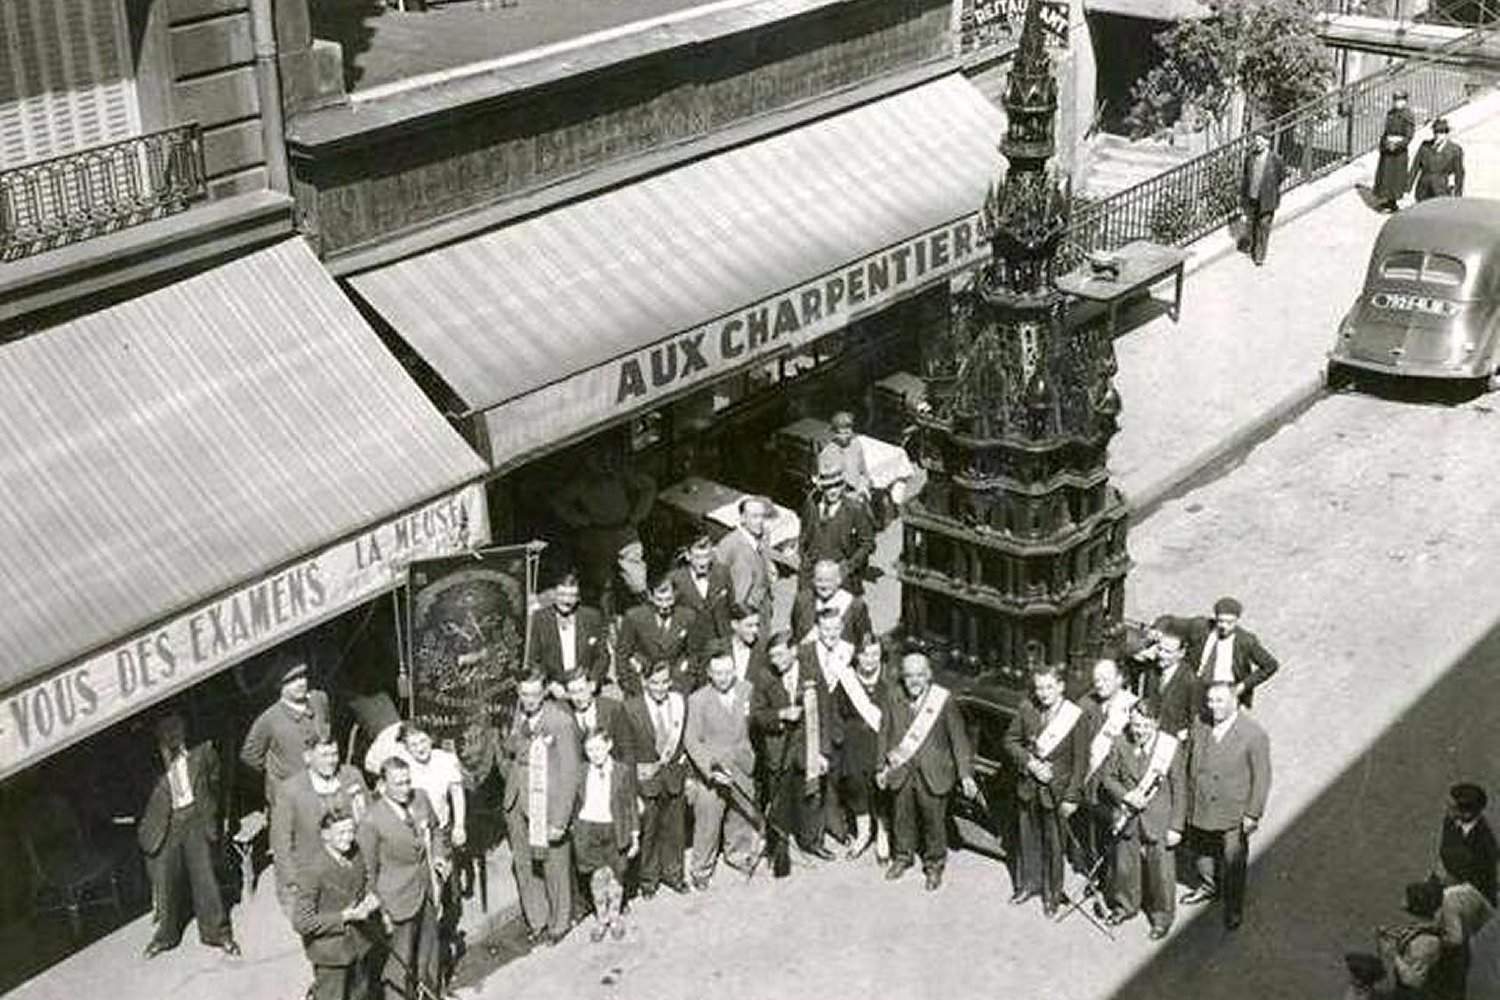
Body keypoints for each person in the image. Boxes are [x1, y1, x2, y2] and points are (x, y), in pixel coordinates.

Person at [139, 711, 240, 958]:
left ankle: (217, 933)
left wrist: (209, 811)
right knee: (166, 882)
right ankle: (166, 936)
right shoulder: (147, 760)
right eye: (165, 729)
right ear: (157, 733)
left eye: (176, 727)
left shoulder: (202, 751)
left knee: (205, 878)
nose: (172, 733)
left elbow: (215, 778)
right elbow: (138, 796)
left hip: (195, 817)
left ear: (184, 727)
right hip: (167, 824)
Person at [877, 652, 976, 892]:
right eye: (909, 675)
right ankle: (902, 857)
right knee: (902, 817)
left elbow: (958, 740)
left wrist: (965, 774)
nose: (914, 680)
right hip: (902, 770)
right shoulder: (893, 696)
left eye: (920, 675)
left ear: (928, 675)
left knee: (934, 822)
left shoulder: (943, 700)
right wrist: (881, 767)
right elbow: (884, 733)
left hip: (934, 772)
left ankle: (934, 865)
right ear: (903, 676)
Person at [1179, 681, 1271, 931]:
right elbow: (1188, 759)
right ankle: (1208, 886)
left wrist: (1253, 814)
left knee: (1233, 862)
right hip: (1200, 803)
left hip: (1232, 810)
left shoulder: (1253, 734)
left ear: (1235, 702)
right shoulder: (1200, 724)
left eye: (1219, 701)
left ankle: (1233, 908)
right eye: (1210, 700)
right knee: (1202, 853)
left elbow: (1262, 778)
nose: (1213, 706)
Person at [358, 757, 450, 1000]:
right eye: (398, 784)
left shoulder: (420, 797)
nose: (405, 788)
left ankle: (431, 993)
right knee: (399, 964)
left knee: (429, 953)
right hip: (396, 899)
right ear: (382, 785)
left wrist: (440, 856)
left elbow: (437, 829)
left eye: (407, 781)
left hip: (427, 890)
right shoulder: (372, 820)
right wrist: (380, 909)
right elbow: (368, 870)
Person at [501, 672, 581, 946]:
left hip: (547, 803)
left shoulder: (561, 722)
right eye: (524, 694)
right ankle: (537, 919)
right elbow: (511, 747)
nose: (529, 700)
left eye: (535, 694)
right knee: (524, 864)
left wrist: (560, 819)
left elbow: (570, 772)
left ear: (545, 691)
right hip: (517, 800)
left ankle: (560, 922)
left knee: (553, 864)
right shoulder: (517, 713)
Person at [1003, 661, 1088, 916]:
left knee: (1054, 844)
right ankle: (1028, 885)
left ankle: (1052, 894)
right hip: (1029, 787)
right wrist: (1029, 763)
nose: (1044, 693)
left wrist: (1072, 796)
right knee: (1027, 838)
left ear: (1060, 687)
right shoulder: (1027, 708)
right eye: (1039, 688)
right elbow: (1010, 740)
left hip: (1058, 792)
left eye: (1049, 687)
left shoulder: (1074, 716)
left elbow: (1081, 760)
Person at [1099, 700, 1185, 940]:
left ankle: (1162, 917)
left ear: (1156, 724)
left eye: (1145, 726)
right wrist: (1126, 795)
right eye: (1135, 724)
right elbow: (1107, 778)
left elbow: (1180, 789)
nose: (1138, 731)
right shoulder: (1119, 742)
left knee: (1161, 872)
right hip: (1128, 816)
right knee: (1125, 867)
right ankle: (1125, 906)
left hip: (1159, 820)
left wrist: (1176, 826)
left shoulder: (1170, 747)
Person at [751, 630, 834, 877]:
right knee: (779, 801)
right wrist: (781, 715)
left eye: (779, 654)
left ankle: (813, 842)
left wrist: (824, 752)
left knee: (812, 798)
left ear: (794, 650)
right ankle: (779, 849)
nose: (775, 661)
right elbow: (756, 716)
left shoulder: (812, 674)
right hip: (779, 750)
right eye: (772, 656)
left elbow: (825, 713)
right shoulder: (764, 677)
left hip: (809, 748)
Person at [273, 734, 371, 921]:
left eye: (334, 754)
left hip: (351, 867)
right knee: (324, 934)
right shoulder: (290, 790)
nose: (331, 761)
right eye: (324, 755)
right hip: (314, 873)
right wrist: (293, 882)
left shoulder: (351, 776)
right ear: (308, 757)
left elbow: (368, 820)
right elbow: (281, 842)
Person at [684, 650, 761, 889]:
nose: (723, 677)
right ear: (709, 673)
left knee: (741, 814)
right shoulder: (698, 700)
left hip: (741, 764)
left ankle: (738, 854)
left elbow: (756, 726)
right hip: (713, 771)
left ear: (734, 670)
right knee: (708, 818)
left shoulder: (747, 690)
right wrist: (710, 769)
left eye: (728, 672)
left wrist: (752, 758)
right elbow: (692, 740)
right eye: (718, 673)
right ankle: (701, 868)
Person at [549, 444, 656, 610]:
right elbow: (559, 501)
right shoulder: (582, 482)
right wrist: (580, 520)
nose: (602, 465)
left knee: (637, 581)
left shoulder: (620, 475)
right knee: (601, 582)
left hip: (624, 531)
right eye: (596, 460)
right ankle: (606, 619)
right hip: (597, 535)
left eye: (605, 459)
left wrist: (637, 515)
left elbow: (648, 487)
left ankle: (648, 613)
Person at [293, 811, 380, 1000]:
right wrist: (344, 917)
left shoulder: (355, 851)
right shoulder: (312, 869)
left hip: (360, 946)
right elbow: (302, 922)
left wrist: (371, 897)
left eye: (351, 831)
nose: (348, 838)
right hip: (331, 956)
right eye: (341, 833)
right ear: (325, 835)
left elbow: (367, 879)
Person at [624, 660, 690, 897]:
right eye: (655, 683)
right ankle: (649, 880)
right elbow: (627, 749)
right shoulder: (632, 708)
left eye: (665, 682)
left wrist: (686, 773)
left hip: (673, 775)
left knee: (675, 829)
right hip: (647, 779)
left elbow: (683, 742)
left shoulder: (679, 703)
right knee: (649, 832)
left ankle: (674, 874)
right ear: (644, 682)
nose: (661, 688)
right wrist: (633, 782)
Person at [572, 727, 640, 943]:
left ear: (609, 745)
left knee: (615, 875)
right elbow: (573, 802)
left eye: (599, 748)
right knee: (597, 877)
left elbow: (630, 805)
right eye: (590, 750)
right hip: (589, 829)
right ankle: (601, 918)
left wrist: (635, 836)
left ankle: (615, 916)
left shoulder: (622, 771)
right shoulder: (581, 771)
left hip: (614, 829)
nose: (595, 754)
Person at [799, 607, 856, 848]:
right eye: (826, 629)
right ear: (818, 629)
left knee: (835, 781)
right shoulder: (805, 652)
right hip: (813, 727)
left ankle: (836, 825)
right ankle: (813, 835)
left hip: (840, 729)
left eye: (835, 628)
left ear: (841, 629)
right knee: (814, 784)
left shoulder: (849, 652)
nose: (830, 633)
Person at [241, 657, 332, 805]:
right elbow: (250, 756)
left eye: (302, 676)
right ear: (278, 685)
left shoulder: (318, 699)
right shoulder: (268, 719)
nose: (301, 683)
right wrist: (277, 771)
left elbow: (327, 723)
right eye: (292, 680)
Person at [838, 635, 895, 863]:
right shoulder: (847, 681)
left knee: (880, 787)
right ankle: (863, 833)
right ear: (857, 656)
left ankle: (883, 833)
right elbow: (837, 712)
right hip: (853, 743)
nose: (870, 660)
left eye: (875, 655)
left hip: (880, 742)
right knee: (855, 785)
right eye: (865, 654)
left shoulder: (890, 681)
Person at [1079, 658, 1138, 873]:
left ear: (1120, 680)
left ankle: (1110, 875)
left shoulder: (1131, 707)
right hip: (1093, 780)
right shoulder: (1086, 703)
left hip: (1116, 782)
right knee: (1093, 827)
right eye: (1096, 680)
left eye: (1105, 679)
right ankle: (1095, 870)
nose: (1099, 684)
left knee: (1115, 832)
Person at [616, 571, 703, 696]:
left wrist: (684, 684)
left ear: (675, 596)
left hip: (676, 685)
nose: (664, 606)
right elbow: (622, 655)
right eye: (659, 600)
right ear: (650, 596)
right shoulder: (634, 617)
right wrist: (630, 686)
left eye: (668, 599)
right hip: (642, 684)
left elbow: (694, 654)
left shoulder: (687, 617)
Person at [798, 455, 875, 596]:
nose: (832, 491)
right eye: (828, 486)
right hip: (812, 575)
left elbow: (868, 543)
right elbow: (804, 535)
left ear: (844, 485)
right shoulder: (811, 503)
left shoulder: (855, 509)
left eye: (837, 485)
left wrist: (847, 568)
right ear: (821, 487)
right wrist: (804, 561)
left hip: (841, 579)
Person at [526, 571, 610, 695]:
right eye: (562, 594)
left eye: (572, 596)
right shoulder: (540, 619)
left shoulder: (592, 617)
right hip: (555, 690)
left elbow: (602, 656)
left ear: (578, 597)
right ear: (554, 594)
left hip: (585, 688)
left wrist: (593, 681)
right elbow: (533, 659)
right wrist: (549, 683)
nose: (567, 601)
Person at [1189, 596, 1280, 709]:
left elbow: (1271, 665)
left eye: (1230, 622)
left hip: (1227, 691)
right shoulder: (1202, 628)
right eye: (1221, 621)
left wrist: (1243, 686)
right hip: (1198, 688)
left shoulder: (1246, 641)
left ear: (1237, 620)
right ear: (1215, 618)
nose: (1224, 626)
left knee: (1223, 724)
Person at [1379, 880, 1458, 999]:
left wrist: (1393, 954)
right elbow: (1414, 931)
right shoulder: (1426, 925)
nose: (1402, 900)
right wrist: (1396, 933)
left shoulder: (1425, 944)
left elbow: (1413, 980)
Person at [714, 495, 778, 625]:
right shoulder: (729, 545)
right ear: (742, 518)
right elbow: (719, 586)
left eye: (762, 516)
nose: (760, 521)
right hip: (743, 615)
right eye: (754, 516)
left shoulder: (764, 535)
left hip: (764, 605)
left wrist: (769, 566)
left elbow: (764, 556)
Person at [1134, 624, 1198, 741]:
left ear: (1181, 653)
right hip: (1148, 735)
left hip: (1172, 740)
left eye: (1168, 652)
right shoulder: (1152, 670)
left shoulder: (1190, 681)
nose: (1161, 655)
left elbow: (1195, 719)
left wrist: (1185, 734)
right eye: (1160, 649)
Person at [671, 533, 734, 651]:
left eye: (706, 557)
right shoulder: (676, 579)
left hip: (721, 641)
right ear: (688, 556)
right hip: (691, 644)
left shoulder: (722, 573)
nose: (703, 563)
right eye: (698, 557)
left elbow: (732, 604)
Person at [1439, 783, 1498, 906]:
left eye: (1452, 807)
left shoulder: (1484, 840)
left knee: (1450, 898)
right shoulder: (1450, 823)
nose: (1447, 808)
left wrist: (1453, 881)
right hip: (1453, 878)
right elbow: (1445, 851)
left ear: (1467, 813)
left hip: (1475, 889)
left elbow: (1481, 876)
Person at [790, 559, 872, 645]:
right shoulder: (802, 600)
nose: (823, 585)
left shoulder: (855, 606)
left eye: (828, 580)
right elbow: (796, 631)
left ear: (839, 580)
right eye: (819, 580)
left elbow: (865, 640)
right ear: (813, 580)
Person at [564, 671, 634, 761]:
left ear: (591, 687)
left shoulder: (613, 709)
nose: (578, 697)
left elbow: (628, 749)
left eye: (581, 690)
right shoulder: (565, 714)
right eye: (573, 693)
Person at [1239, 129, 1285, 267]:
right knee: (1252, 224)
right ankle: (1253, 248)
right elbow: (1246, 177)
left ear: (1267, 142)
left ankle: (1260, 255)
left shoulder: (1275, 159)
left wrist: (1270, 189)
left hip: (1267, 199)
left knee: (1263, 226)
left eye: (1260, 141)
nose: (1257, 144)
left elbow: (1281, 176)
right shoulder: (1250, 158)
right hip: (1252, 196)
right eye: (1256, 141)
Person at [1375, 91, 1417, 212]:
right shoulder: (1391, 114)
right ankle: (1388, 201)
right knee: (1386, 176)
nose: (1397, 103)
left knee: (1395, 177)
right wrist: (1384, 143)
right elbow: (1386, 131)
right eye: (1395, 100)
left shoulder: (1408, 115)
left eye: (1400, 100)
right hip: (1388, 148)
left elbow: (1409, 136)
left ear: (1405, 101)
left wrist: (1397, 145)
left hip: (1399, 151)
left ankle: (1393, 203)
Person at [820, 411, 871, 503]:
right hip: (840, 496)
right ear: (835, 434)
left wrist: (863, 487)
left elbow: (863, 471)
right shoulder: (827, 452)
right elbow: (826, 483)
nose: (846, 437)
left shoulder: (856, 445)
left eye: (848, 432)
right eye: (842, 433)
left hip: (859, 492)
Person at [1411, 118, 1465, 202]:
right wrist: (1408, 186)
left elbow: (1459, 173)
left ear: (1446, 134)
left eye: (1441, 133)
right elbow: (1415, 166)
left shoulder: (1455, 150)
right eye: (1435, 132)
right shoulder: (1425, 146)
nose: (1437, 136)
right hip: (1423, 188)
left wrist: (1458, 193)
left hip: (1441, 189)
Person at [724, 604, 768, 686]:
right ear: (734, 624)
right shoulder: (717, 648)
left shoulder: (763, 651)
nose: (755, 630)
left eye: (757, 625)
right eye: (749, 625)